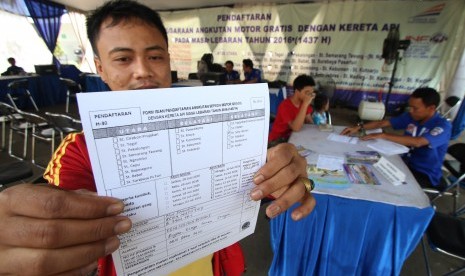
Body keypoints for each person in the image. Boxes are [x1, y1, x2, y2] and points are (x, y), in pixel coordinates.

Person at [0, 1, 316, 275]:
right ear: (101, 69)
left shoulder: (212, 128)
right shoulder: (80, 150)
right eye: (123, 59)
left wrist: (292, 175)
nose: (143, 71)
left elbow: (263, 182)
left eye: (154, 57)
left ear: (168, 62)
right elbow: (49, 208)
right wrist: (20, 234)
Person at [341, 87, 452, 188]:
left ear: (431, 108)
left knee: (374, 183)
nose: (411, 111)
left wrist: (384, 135)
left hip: (423, 173)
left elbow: (419, 142)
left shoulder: (442, 126)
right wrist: (359, 127)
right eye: (410, 107)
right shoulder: (412, 117)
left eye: (415, 108)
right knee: (361, 167)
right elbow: (383, 123)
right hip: (403, 163)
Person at [268, 74, 316, 145]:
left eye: (311, 93)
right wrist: (305, 104)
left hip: (293, 137)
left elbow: (310, 122)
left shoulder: (304, 103)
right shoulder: (285, 105)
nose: (309, 96)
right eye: (307, 93)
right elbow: (295, 128)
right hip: (277, 140)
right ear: (297, 91)